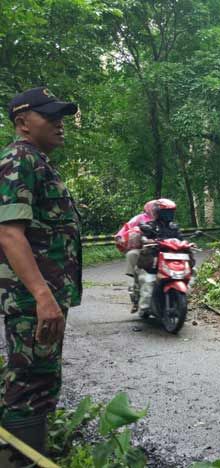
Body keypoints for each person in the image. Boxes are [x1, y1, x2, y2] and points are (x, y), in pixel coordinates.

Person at [0, 87, 81, 460]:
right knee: (29, 388)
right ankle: (19, 460)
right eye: (50, 116)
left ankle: (33, 456)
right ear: (23, 122)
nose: (59, 123)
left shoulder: (38, 161)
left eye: (60, 115)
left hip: (40, 300)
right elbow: (8, 233)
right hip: (32, 301)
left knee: (41, 383)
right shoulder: (19, 159)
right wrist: (42, 295)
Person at [115, 199, 158, 279]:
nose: (155, 210)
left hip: (162, 246)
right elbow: (127, 227)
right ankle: (134, 277)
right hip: (144, 246)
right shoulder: (140, 218)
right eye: (153, 208)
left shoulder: (164, 220)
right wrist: (119, 236)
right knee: (132, 254)